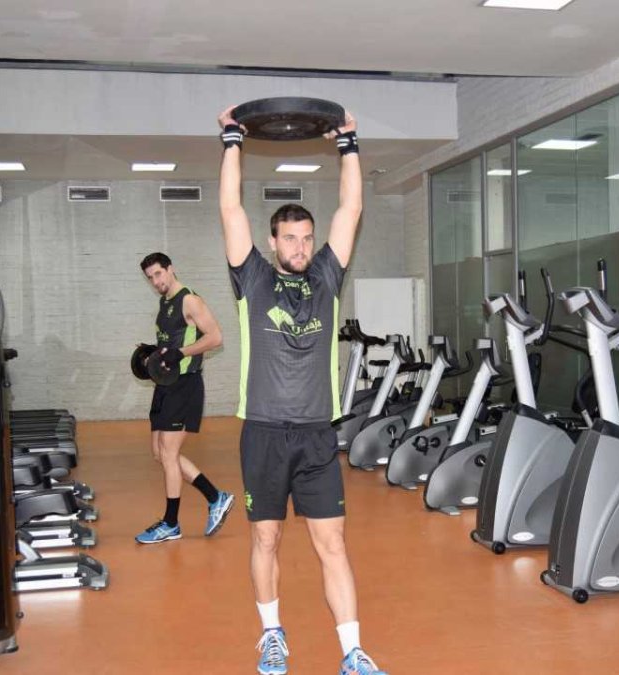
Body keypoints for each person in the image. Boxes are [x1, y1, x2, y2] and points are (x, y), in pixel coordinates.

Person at [218, 106, 386, 675]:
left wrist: (349, 144)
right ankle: (271, 635)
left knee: (332, 544)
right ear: (273, 240)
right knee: (266, 539)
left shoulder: (326, 278)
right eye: (290, 237)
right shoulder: (253, 278)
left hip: (317, 435)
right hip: (263, 432)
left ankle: (352, 652)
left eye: (306, 238)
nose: (299, 245)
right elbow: (229, 208)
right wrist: (232, 139)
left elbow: (352, 208)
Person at [135, 252, 234, 544]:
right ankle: (216, 497)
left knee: (168, 454)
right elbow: (175, 341)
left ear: (170, 269)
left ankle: (171, 523)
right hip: (165, 384)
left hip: (185, 384)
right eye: (150, 277)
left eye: (158, 274)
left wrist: (182, 353)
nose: (156, 281)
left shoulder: (189, 300)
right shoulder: (164, 303)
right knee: (160, 453)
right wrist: (151, 352)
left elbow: (215, 337)